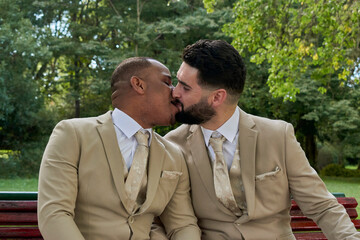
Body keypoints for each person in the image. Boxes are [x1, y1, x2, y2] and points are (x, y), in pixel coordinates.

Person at [165, 39, 360, 240]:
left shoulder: (279, 136)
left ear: (217, 98)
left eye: (185, 87)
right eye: (177, 81)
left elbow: (322, 205)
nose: (175, 92)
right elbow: (178, 222)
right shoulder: (173, 145)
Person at [37, 57, 201, 240]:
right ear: (138, 85)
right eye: (167, 83)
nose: (176, 93)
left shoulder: (174, 155)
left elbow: (183, 226)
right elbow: (54, 214)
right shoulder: (73, 135)